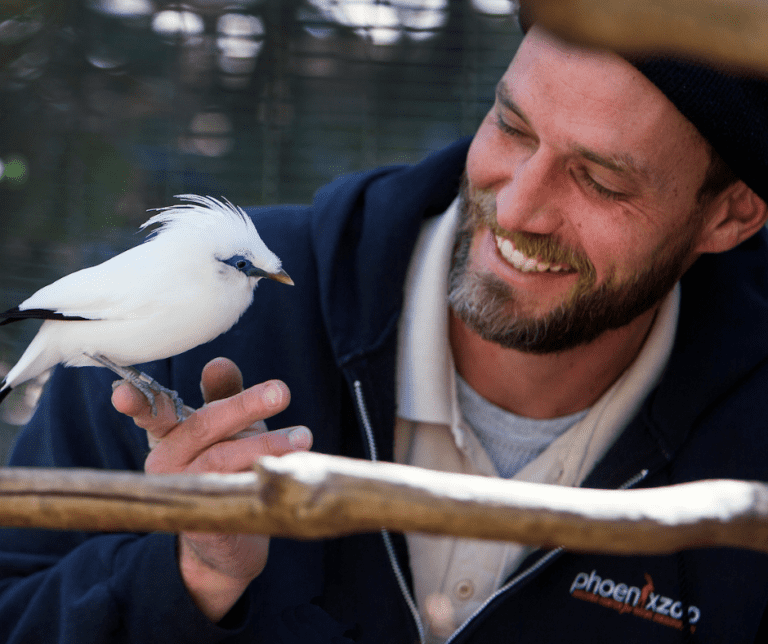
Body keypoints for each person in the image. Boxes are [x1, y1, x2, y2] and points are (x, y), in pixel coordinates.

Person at [2, 19, 768, 644]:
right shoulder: (182, 321)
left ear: (731, 215)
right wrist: (190, 577)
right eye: (511, 126)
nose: (519, 208)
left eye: (600, 180)